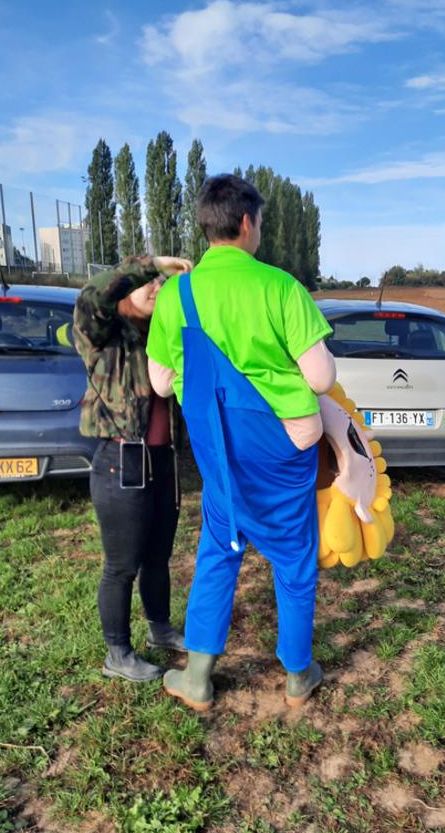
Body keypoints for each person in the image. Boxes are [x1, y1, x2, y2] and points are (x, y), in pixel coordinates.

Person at [146, 174, 337, 711]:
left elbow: (161, 383)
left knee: (218, 552)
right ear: (247, 222)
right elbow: (321, 378)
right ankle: (298, 675)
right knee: (294, 558)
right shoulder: (280, 287)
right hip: (283, 449)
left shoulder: (177, 296)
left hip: (217, 454)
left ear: (208, 226)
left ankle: (199, 678)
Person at [73, 254, 192, 681]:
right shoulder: (102, 331)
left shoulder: (164, 335)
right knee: (122, 564)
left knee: (159, 556)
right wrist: (153, 263)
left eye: (162, 284)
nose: (157, 288)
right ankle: (117, 653)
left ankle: (159, 627)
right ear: (128, 286)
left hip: (163, 461)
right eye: (149, 283)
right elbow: (93, 294)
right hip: (120, 462)